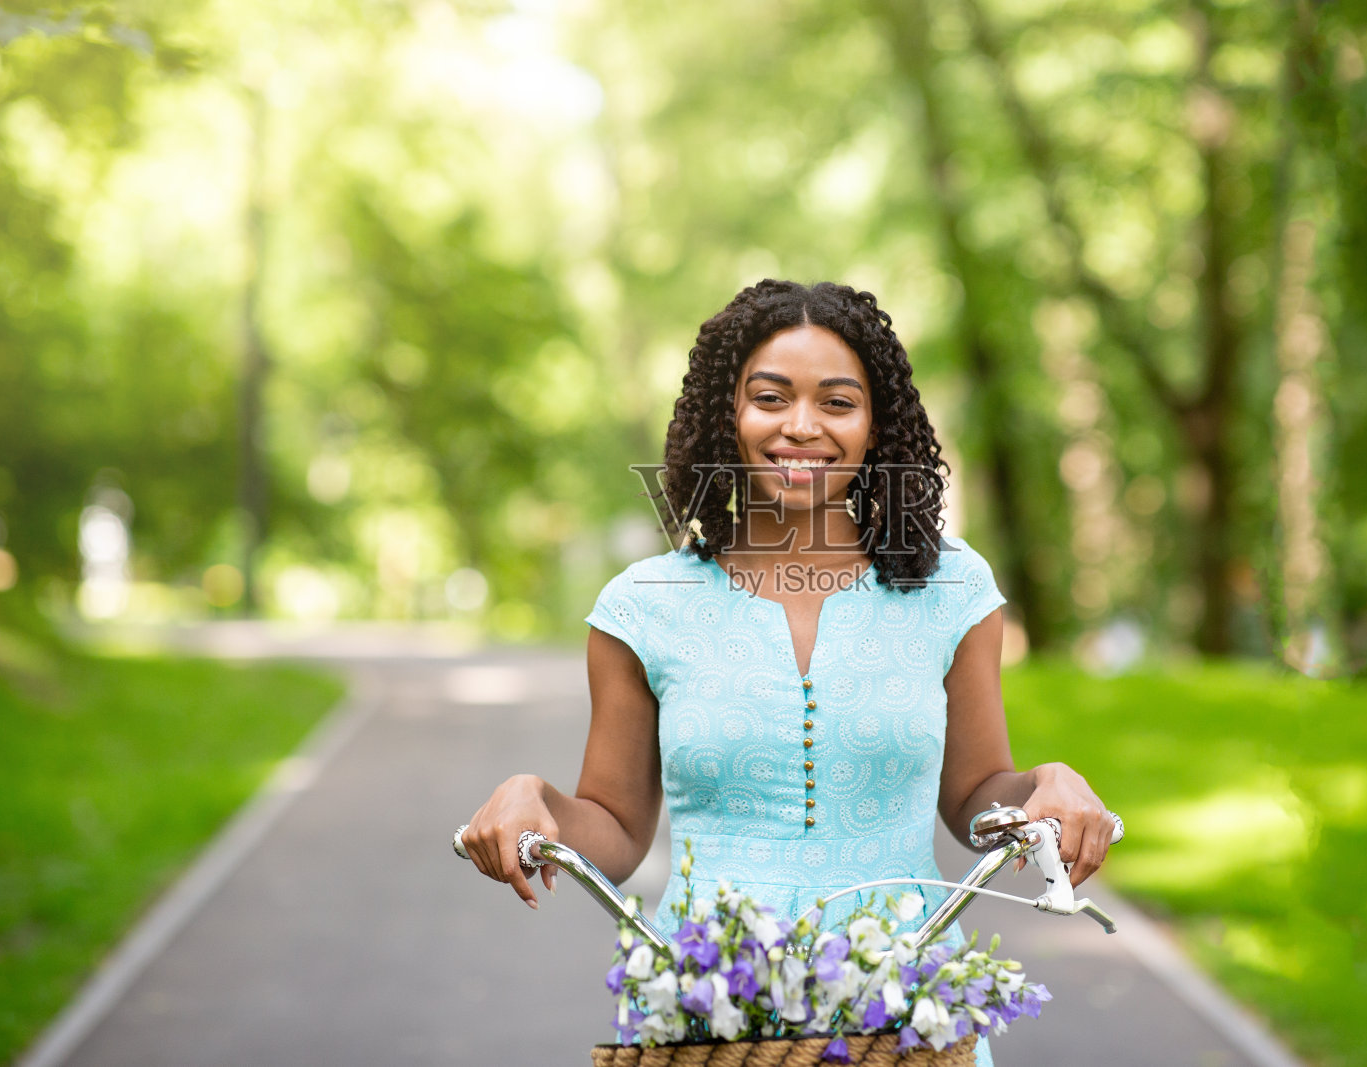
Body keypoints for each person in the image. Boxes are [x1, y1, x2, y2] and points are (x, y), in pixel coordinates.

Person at [459, 280, 1119, 1063]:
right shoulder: (644, 605)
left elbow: (977, 795)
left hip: (902, 1009)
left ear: (876, 426)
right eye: (771, 397)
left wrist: (1048, 782)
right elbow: (617, 827)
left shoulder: (952, 588)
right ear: (727, 415)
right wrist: (536, 801)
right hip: (705, 1007)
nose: (801, 426)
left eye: (837, 403)